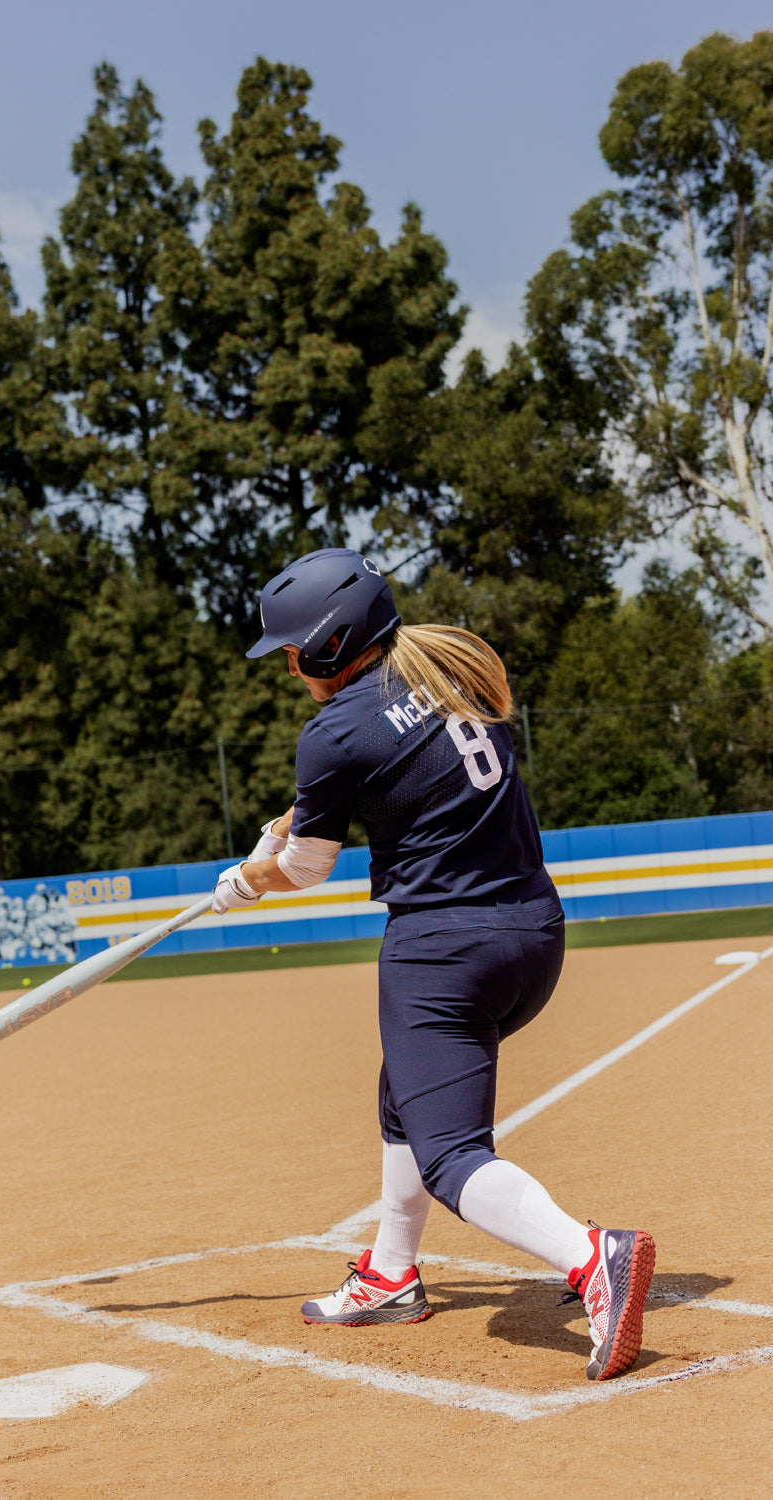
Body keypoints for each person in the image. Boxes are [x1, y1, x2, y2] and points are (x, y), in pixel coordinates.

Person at [212, 548, 655, 1382]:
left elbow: (308, 866)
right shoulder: (453, 670)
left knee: (451, 1153)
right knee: (402, 1098)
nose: (289, 666)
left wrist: (245, 880)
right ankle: (390, 1273)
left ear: (331, 646)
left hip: (442, 953)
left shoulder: (332, 732)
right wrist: (287, 825)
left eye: (292, 652)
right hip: (534, 934)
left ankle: (592, 1255)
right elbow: (365, 785)